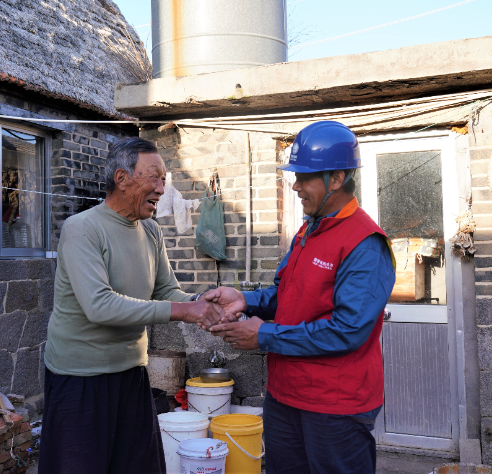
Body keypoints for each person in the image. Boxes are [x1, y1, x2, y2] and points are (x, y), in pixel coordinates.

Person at [207, 121, 396, 474]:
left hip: (335, 404)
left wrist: (264, 335)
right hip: (285, 396)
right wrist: (245, 300)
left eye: (305, 177)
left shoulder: (365, 243)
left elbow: (347, 330)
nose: (295, 186)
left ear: (336, 179)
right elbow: (289, 294)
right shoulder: (310, 229)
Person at [40, 137, 225, 474]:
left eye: (164, 180)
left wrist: (202, 303)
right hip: (80, 378)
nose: (161, 189)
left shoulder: (151, 232)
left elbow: (167, 291)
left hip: (131, 372)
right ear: (122, 179)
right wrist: (184, 311)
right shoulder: (82, 229)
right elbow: (100, 306)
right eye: (153, 178)